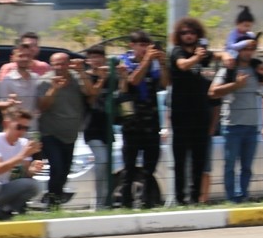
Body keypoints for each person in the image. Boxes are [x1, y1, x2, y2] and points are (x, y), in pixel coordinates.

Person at [211, 40, 263, 203]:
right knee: (230, 166)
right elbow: (213, 92)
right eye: (245, 49)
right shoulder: (228, 69)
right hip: (232, 126)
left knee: (247, 167)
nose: (248, 52)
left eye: (251, 49)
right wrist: (235, 85)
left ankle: (243, 196)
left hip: (251, 126)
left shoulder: (255, 69)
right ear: (238, 50)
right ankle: (232, 198)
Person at [36, 52, 93, 208]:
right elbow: (42, 106)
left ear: (68, 64)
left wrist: (81, 72)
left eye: (63, 63)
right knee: (57, 167)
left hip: (71, 134)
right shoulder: (45, 81)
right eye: (56, 64)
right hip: (51, 133)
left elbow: (90, 93)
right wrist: (54, 89)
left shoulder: (77, 78)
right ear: (51, 65)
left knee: (65, 171)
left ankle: (55, 200)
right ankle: (52, 202)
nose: (60, 67)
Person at [118, 31, 168, 209]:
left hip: (151, 123)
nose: (145, 48)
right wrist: (147, 60)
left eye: (147, 45)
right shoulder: (125, 62)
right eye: (140, 44)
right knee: (129, 167)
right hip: (132, 124)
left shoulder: (154, 65)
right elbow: (133, 80)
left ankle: (148, 201)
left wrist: (162, 63)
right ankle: (126, 202)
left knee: (150, 167)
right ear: (132, 45)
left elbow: (164, 83)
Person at [168, 17, 215, 205]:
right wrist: (197, 57)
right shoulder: (176, 52)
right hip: (181, 113)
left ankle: (195, 198)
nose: (188, 36)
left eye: (192, 33)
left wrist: (224, 56)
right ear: (179, 35)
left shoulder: (204, 54)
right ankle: (180, 198)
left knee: (199, 158)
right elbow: (183, 65)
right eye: (184, 33)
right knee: (180, 159)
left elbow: (216, 60)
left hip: (201, 112)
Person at [80, 45, 113, 208]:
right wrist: (101, 79)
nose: (96, 60)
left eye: (99, 56)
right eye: (92, 57)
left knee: (107, 165)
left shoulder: (111, 76)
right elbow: (91, 98)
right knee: (101, 161)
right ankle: (99, 203)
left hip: (108, 127)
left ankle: (105, 201)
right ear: (88, 60)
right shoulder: (84, 77)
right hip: (91, 126)